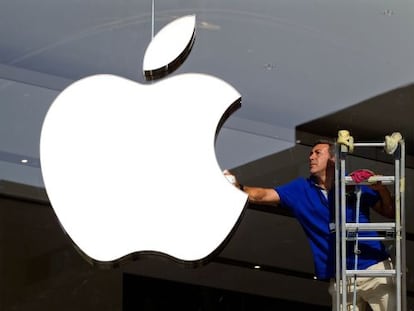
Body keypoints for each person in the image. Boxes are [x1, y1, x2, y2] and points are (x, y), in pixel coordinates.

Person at [224, 139, 396, 311]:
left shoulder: (352, 182)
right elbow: (262, 195)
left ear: (333, 159)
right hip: (341, 277)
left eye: (317, 153)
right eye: (310, 154)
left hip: (374, 267)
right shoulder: (301, 189)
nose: (311, 157)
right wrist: (237, 186)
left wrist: (380, 189)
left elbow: (390, 212)